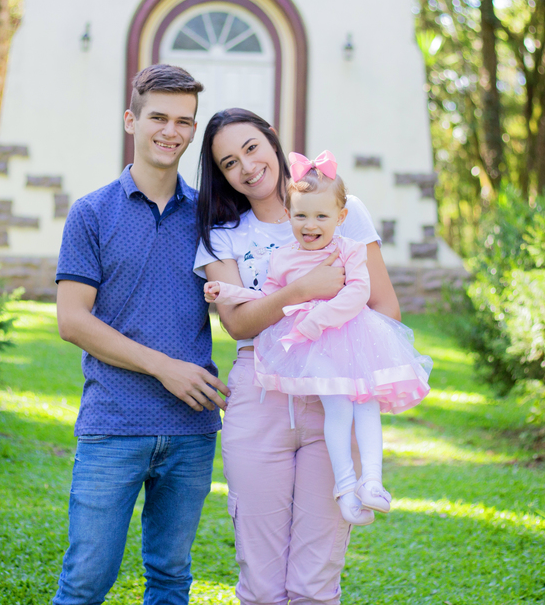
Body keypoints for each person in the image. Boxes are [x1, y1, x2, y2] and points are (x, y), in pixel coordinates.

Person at [194, 108, 402, 605]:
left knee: (314, 582)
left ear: (272, 141)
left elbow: (383, 304)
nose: (245, 166)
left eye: (250, 148)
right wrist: (303, 289)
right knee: (262, 584)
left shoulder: (342, 205)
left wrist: (357, 371)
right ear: (222, 176)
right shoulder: (224, 234)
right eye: (228, 162)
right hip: (260, 391)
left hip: (335, 391)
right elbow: (238, 323)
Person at [51, 64, 229, 605]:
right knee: (85, 582)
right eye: (158, 117)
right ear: (132, 120)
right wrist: (163, 366)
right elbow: (73, 320)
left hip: (191, 430)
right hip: (113, 423)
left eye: (184, 121)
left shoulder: (211, 218)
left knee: (172, 579)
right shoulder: (91, 213)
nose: (170, 131)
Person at [204, 152, 432, 525]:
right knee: (339, 410)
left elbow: (359, 292)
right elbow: (267, 298)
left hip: (351, 338)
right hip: (317, 351)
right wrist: (227, 293)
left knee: (366, 404)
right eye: (301, 216)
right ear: (290, 215)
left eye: (321, 217)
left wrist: (318, 319)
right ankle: (345, 487)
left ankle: (371, 480)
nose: (310, 225)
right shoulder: (282, 258)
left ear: (340, 218)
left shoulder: (349, 250)